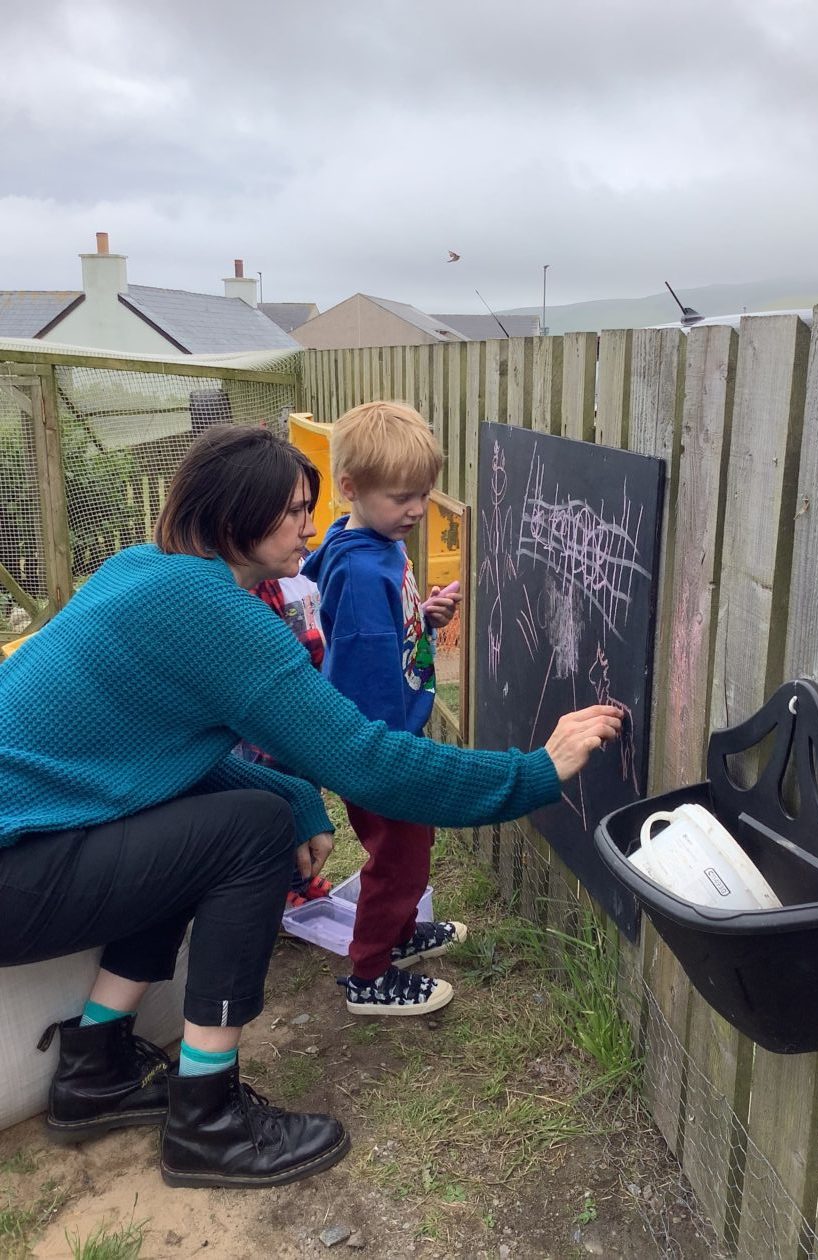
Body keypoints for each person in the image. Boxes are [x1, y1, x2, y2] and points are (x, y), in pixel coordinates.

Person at [0, 423, 623, 1192]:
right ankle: (206, 1120)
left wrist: (291, 793)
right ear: (235, 519)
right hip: (16, 867)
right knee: (250, 835)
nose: (309, 524)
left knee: (225, 822)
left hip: (29, 843)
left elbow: (137, 760)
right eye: (294, 510)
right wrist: (534, 771)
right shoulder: (221, 619)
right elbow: (367, 761)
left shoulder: (139, 569)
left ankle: (93, 1071)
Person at [303, 401, 466, 1017]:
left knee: (408, 850)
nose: (418, 510)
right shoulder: (362, 571)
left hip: (390, 736)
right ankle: (370, 974)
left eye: (423, 494)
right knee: (398, 860)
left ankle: (399, 937)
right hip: (381, 746)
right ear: (351, 488)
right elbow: (362, 678)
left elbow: (383, 636)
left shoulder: (375, 541)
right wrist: (395, 759)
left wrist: (422, 619)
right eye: (403, 497)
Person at [232, 569, 333, 907]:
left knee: (305, 794)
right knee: (273, 811)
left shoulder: (308, 569)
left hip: (307, 720)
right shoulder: (257, 586)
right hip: (269, 739)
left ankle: (298, 882)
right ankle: (275, 897)